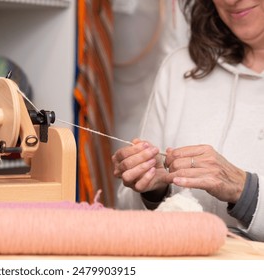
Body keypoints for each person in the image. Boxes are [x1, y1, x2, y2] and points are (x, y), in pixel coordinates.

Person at [112, 0, 264, 242]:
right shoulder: (180, 67)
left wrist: (245, 192)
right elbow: (127, 211)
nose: (231, 1)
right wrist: (153, 192)